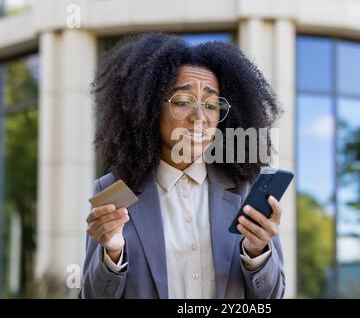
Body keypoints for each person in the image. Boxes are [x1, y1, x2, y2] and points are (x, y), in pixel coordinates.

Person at [80, 33, 285, 299]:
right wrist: (112, 253)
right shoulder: (115, 192)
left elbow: (273, 297)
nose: (199, 118)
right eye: (182, 102)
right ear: (150, 109)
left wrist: (258, 253)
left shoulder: (247, 191)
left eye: (211, 105)